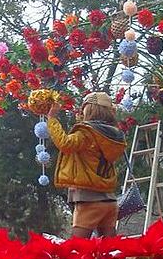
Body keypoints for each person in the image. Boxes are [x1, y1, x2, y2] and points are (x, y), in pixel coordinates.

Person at [47, 92, 126, 238]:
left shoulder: (86, 133)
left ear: (89, 109)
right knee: (111, 250)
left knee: (77, 249)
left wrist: (52, 119)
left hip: (88, 199)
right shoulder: (115, 136)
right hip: (109, 199)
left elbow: (65, 143)